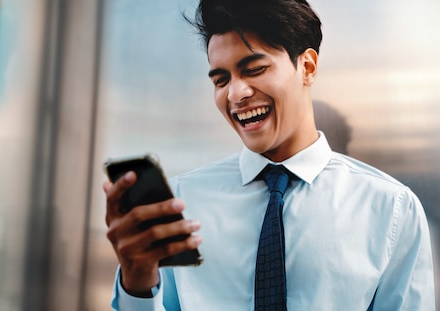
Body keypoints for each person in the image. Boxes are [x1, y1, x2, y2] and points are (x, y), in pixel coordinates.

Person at [103, 0, 435, 310]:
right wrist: (137, 283)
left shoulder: (392, 210)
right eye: (221, 80)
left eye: (254, 69)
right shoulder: (181, 202)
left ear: (307, 66)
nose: (235, 93)